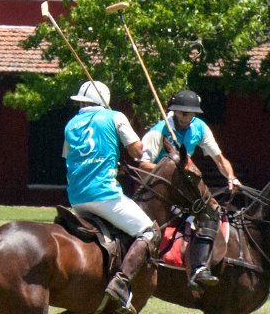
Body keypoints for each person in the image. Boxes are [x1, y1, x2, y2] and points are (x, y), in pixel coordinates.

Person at [60, 81, 158, 314]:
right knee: (149, 231)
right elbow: (137, 151)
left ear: (83, 102)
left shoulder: (71, 123)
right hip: (104, 194)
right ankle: (121, 283)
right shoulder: (115, 116)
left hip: (76, 198)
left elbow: (71, 157)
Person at [138, 89, 241, 288]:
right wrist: (170, 170)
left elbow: (219, 159)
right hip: (159, 189)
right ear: (174, 111)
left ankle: (199, 268)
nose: (186, 117)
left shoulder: (200, 128)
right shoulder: (159, 131)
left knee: (211, 213)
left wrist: (231, 177)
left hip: (184, 188)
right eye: (182, 113)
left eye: (190, 114)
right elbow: (143, 165)